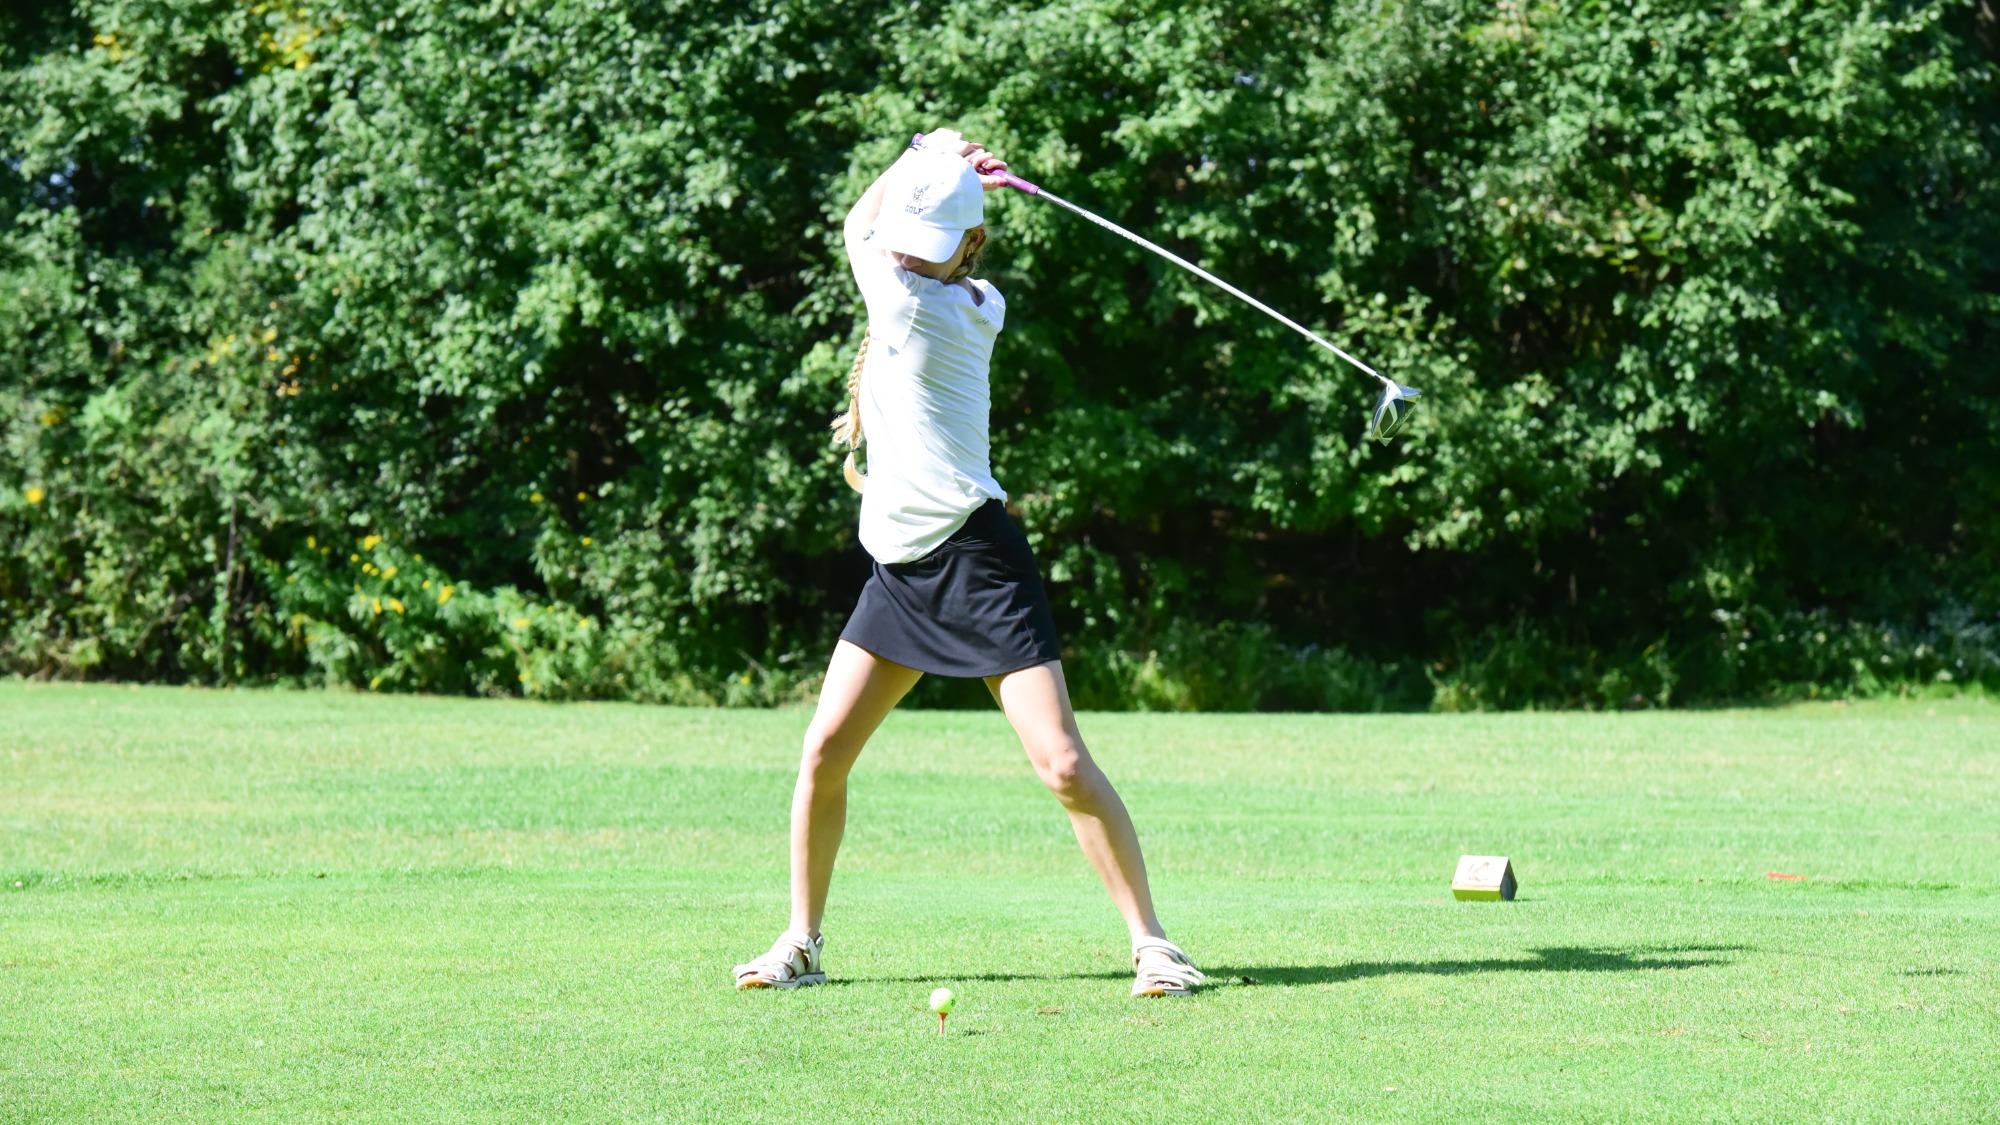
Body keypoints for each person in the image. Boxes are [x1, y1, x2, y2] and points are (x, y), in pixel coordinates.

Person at [732, 128, 1204, 999]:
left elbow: (854, 225)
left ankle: (1155, 944)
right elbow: (878, 226)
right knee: (824, 749)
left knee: (1062, 763)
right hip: (900, 570)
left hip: (977, 562)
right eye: (913, 238)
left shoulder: (920, 303)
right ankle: (801, 939)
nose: (910, 254)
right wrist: (932, 162)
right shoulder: (972, 294)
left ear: (973, 245)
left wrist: (927, 149)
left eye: (932, 243)